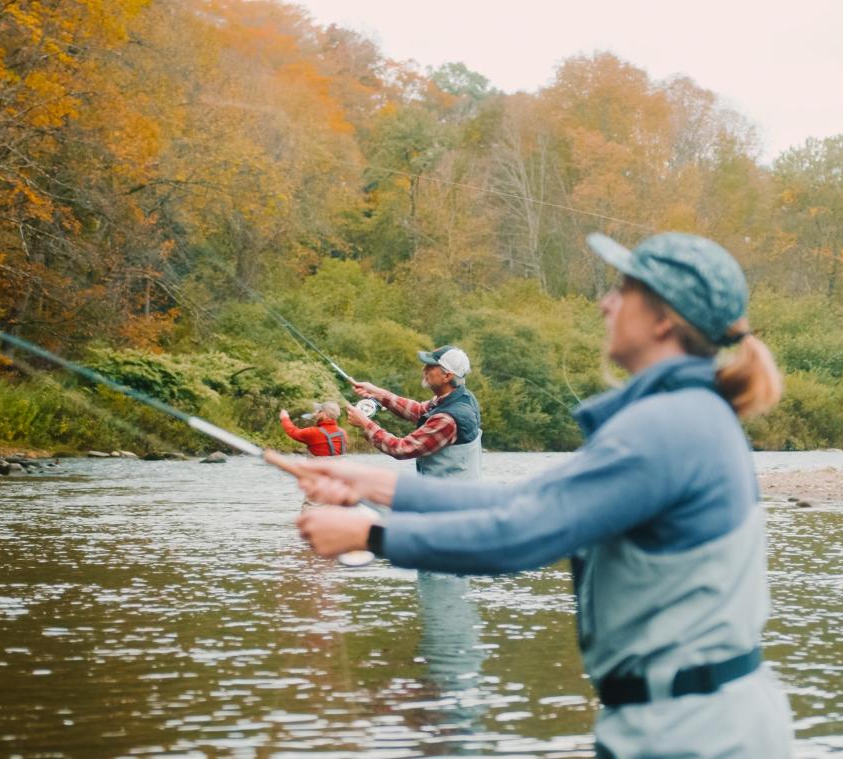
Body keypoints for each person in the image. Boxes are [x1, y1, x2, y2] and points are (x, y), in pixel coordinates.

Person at [279, 232, 794, 758]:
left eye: (623, 290)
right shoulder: (683, 413)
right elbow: (526, 503)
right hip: (692, 721)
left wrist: (369, 533)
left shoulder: (666, 426)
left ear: (664, 318)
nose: (605, 302)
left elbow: (518, 535)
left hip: (696, 733)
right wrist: (371, 484)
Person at [345, 346, 482, 480]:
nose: (424, 369)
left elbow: (401, 449)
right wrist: (376, 392)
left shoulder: (447, 419)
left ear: (447, 376)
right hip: (454, 495)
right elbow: (418, 410)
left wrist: (365, 424)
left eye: (430, 366)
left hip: (448, 499)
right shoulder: (461, 397)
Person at [279, 401, 348, 457]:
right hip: (337, 472)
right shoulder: (343, 432)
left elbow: (292, 431)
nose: (316, 412)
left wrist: (285, 418)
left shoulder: (313, 432)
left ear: (325, 415)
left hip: (317, 472)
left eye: (319, 411)